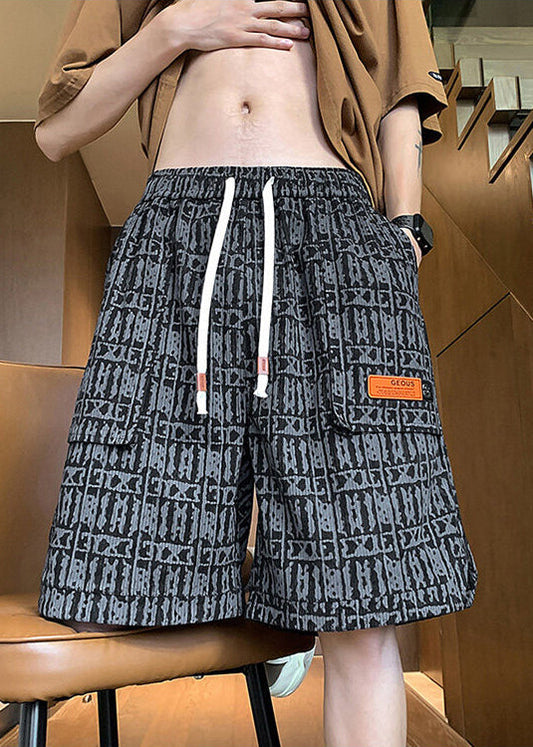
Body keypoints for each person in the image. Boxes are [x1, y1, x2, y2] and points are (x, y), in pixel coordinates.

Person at [34, 2, 478, 745]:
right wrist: (177, 29)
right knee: (108, 568)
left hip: (333, 234)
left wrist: (403, 231)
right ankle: (273, 595)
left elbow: (401, 94)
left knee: (364, 597)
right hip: (177, 234)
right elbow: (56, 131)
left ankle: (301, 592)